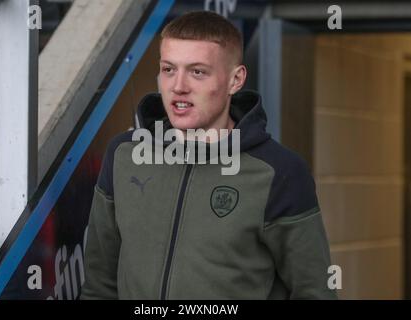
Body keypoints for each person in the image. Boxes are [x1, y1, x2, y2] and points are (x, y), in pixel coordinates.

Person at [81, 11, 337, 300]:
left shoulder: (279, 172)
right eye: (168, 69)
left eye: (197, 71)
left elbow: (315, 291)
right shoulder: (124, 156)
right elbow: (98, 286)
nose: (178, 86)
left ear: (235, 80)